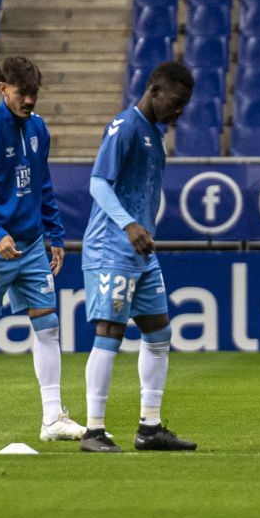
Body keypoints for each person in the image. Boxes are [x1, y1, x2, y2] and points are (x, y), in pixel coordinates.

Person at [0, 55, 85, 443]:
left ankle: (52, 419)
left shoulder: (38, 128)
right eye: (23, 93)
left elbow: (42, 186)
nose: (30, 100)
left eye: (35, 93)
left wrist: (55, 235)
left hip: (30, 245)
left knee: (48, 325)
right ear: (3, 88)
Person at [79, 60, 197, 453]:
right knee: (110, 332)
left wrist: (140, 230)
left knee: (159, 331)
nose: (178, 111)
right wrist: (129, 224)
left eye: (184, 105)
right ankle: (93, 431)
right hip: (111, 247)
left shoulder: (154, 134)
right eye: (175, 102)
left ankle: (150, 427)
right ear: (154, 90)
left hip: (140, 251)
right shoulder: (125, 126)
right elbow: (98, 182)